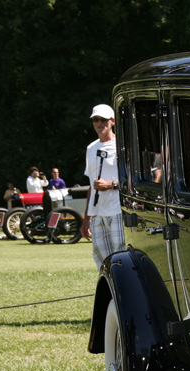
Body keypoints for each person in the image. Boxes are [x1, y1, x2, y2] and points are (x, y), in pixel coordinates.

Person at [81, 103, 125, 268]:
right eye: (95, 120)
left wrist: (111, 184)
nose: (99, 123)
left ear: (112, 121)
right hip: (97, 213)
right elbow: (91, 185)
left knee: (120, 256)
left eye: (103, 119)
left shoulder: (122, 146)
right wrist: (86, 219)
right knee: (102, 259)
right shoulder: (91, 148)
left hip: (118, 210)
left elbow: (133, 180)